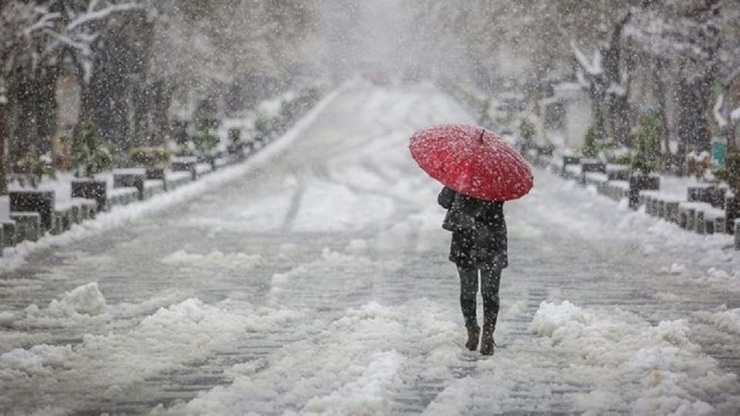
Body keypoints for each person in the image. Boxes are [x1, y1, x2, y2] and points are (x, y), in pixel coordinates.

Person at [437, 186, 507, 356]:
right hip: (492, 238)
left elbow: (443, 201)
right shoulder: (497, 178)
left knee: (468, 289)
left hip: (465, 237)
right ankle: (488, 334)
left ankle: (472, 330)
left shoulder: (463, 176)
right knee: (490, 291)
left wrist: (456, 189)